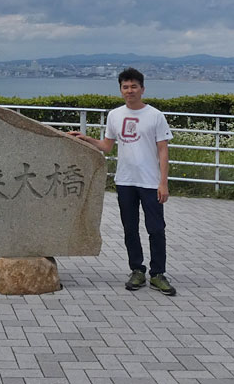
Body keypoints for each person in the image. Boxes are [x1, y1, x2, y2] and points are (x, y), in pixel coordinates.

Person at [68, 67, 177, 295]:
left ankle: (158, 273)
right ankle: (137, 270)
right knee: (130, 228)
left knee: (156, 228)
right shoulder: (115, 115)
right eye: (125, 87)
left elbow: (163, 151)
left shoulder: (155, 116)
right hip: (125, 181)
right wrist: (86, 139)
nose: (130, 91)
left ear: (142, 89)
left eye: (134, 86)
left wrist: (163, 182)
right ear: (120, 90)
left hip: (150, 182)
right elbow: (107, 146)